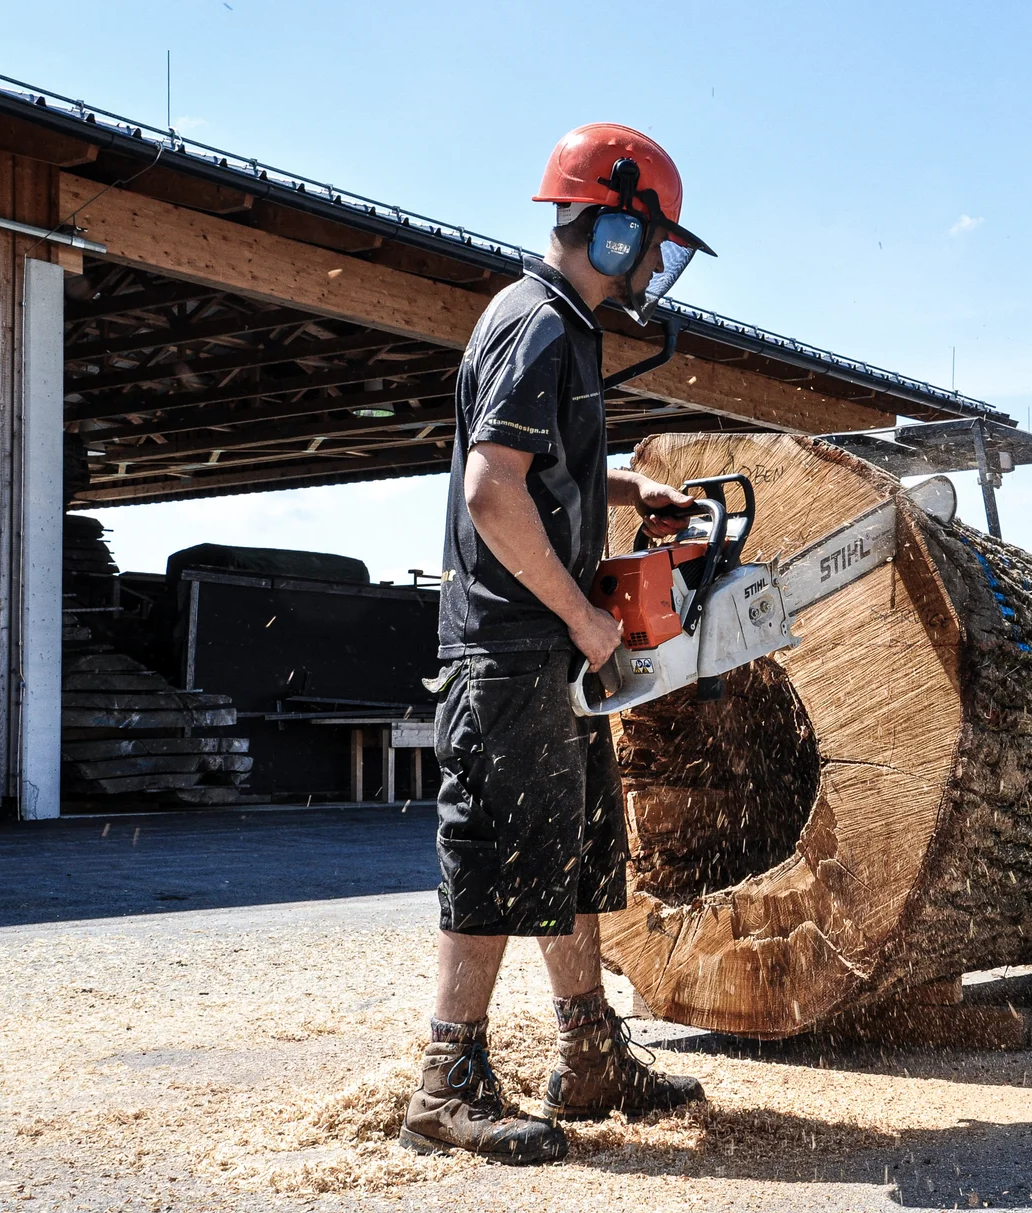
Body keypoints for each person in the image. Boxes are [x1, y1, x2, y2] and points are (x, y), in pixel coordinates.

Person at [399, 124, 717, 1164]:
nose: (654, 269)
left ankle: (589, 1053)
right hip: (512, 643)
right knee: (495, 852)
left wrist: (627, 485)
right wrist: (587, 619)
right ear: (615, 228)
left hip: (547, 649)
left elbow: (539, 462)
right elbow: (493, 492)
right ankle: (446, 1082)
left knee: (568, 850)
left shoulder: (561, 326)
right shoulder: (539, 324)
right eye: (652, 244)